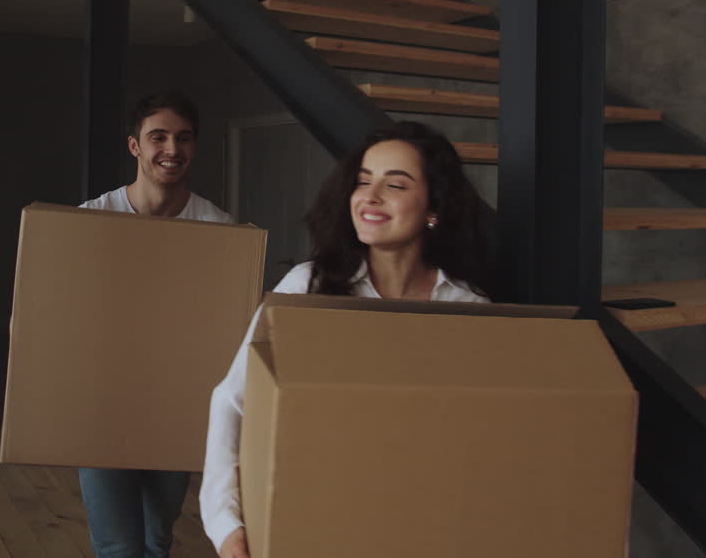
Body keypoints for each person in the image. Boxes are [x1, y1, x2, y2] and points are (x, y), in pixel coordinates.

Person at [199, 121, 492, 558]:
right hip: (314, 521)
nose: (370, 197)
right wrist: (225, 525)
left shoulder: (470, 312)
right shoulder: (308, 288)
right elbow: (233, 400)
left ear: (435, 206)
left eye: (395, 184)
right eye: (362, 181)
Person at [78, 90, 232, 558]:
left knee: (156, 540)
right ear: (135, 146)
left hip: (176, 402)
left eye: (184, 138)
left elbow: (224, 323)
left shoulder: (218, 227)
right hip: (102, 401)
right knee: (119, 547)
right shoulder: (92, 220)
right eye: (158, 137)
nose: (172, 150)